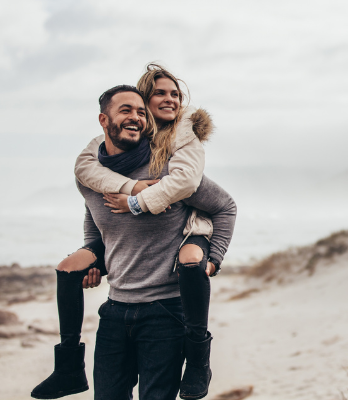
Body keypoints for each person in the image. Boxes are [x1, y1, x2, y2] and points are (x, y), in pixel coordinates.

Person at [32, 66, 234, 400]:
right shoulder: (92, 174)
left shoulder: (169, 169)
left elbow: (225, 205)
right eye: (126, 110)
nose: (135, 117)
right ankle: (68, 368)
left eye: (141, 112)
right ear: (103, 121)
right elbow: (94, 217)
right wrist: (94, 256)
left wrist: (215, 258)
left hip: (165, 312)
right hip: (114, 312)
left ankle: (201, 357)